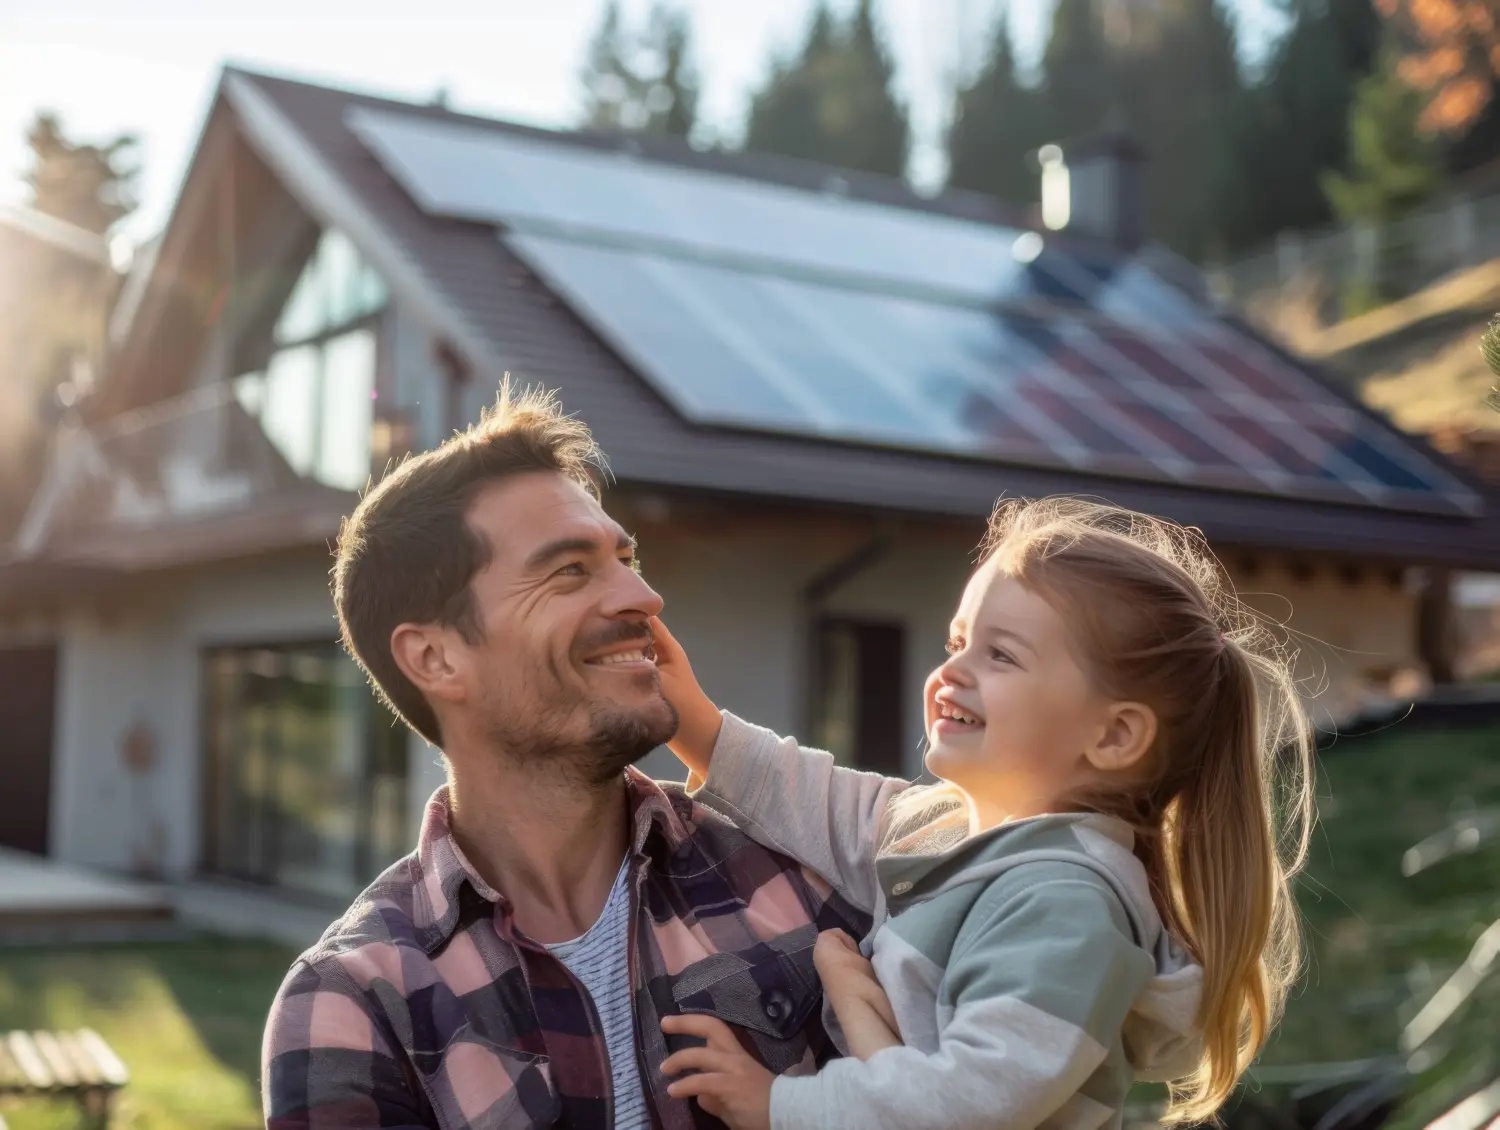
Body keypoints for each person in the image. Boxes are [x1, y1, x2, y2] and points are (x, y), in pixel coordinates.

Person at [260, 384, 870, 1130]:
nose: (644, 597)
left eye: (626, 558)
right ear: (436, 658)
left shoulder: (794, 872)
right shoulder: (352, 1006)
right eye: (570, 572)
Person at [651, 496, 1316, 1130]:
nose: (952, 672)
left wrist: (778, 1107)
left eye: (1000, 655)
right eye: (957, 643)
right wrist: (695, 722)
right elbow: (812, 797)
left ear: (1114, 737)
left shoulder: (1068, 906)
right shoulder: (945, 830)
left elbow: (969, 1102)